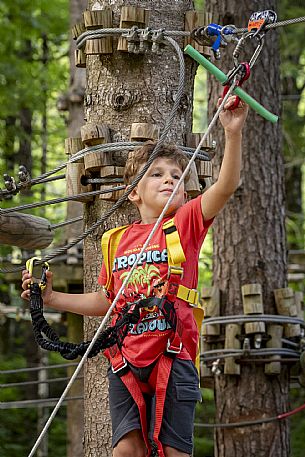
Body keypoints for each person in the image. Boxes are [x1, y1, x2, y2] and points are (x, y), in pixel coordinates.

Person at [22, 95, 248, 457]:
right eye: (156, 175)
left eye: (176, 176)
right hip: (126, 360)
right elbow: (106, 301)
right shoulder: (115, 241)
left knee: (174, 452)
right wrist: (51, 298)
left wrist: (231, 133)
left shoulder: (185, 224)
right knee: (126, 451)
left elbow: (225, 186)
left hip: (173, 357)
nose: (168, 180)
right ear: (133, 194)